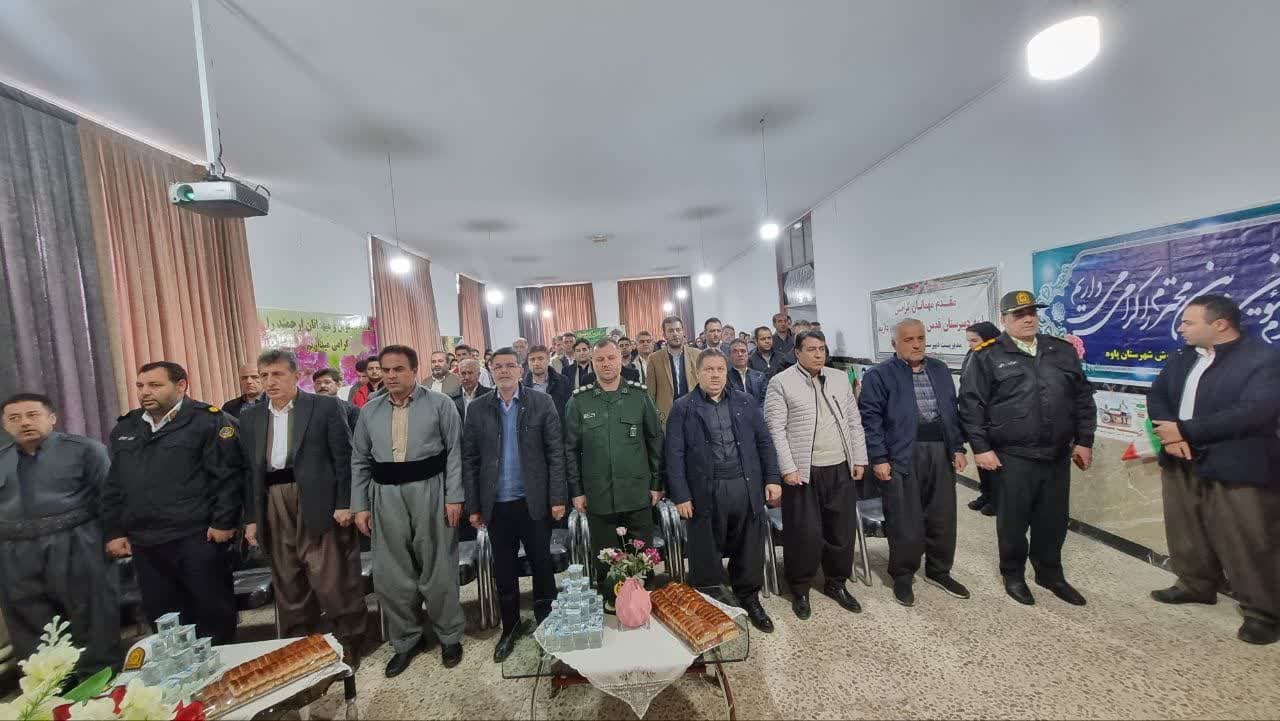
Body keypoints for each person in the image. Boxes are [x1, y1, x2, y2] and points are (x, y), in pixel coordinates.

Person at [1146, 294, 1280, 645]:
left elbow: (1255, 412)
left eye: (1188, 322)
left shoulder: (1262, 359)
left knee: (1247, 538)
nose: (1180, 328)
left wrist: (1185, 431)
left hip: (1236, 464)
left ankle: (1264, 613)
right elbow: (1157, 395)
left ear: (1219, 325)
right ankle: (1195, 585)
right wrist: (1169, 434)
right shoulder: (1184, 357)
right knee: (1185, 529)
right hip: (1181, 458)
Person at [958, 290, 1096, 608]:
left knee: (1053, 520)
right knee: (1013, 522)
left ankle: (1050, 574)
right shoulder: (987, 355)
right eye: (1019, 314)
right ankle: (1014, 575)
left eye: (1032, 312)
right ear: (1004, 320)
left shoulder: (1061, 351)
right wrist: (980, 448)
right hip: (1013, 455)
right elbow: (971, 406)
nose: (1028, 318)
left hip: (1057, 454)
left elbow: (1082, 398)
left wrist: (1085, 440)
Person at [239, 351, 367, 664]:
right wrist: (252, 518)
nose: (269, 382)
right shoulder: (251, 416)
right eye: (264, 375)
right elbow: (248, 471)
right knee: (288, 576)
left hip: (319, 499)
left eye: (277, 374)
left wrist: (345, 502)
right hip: (273, 499)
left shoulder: (324, 407)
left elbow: (344, 457)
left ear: (296, 376)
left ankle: (348, 639)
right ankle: (301, 643)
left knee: (331, 575)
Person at [102, 361, 243, 644]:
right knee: (163, 615)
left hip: (197, 536)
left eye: (155, 385)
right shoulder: (126, 428)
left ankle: (222, 664)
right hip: (146, 541)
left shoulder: (208, 421)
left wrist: (224, 522)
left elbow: (227, 476)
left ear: (181, 386)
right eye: (140, 386)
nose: (145, 392)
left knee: (211, 611)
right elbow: (115, 484)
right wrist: (114, 531)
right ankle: (179, 668)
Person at [352, 345, 466, 675]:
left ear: (414, 371)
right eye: (386, 370)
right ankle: (406, 640)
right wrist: (360, 505)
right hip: (385, 495)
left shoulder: (440, 404)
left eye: (398, 369)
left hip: (430, 490)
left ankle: (449, 636)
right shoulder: (369, 411)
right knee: (392, 575)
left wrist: (454, 496)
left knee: (438, 570)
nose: (391, 376)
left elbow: (455, 452)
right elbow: (359, 460)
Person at [0, 393, 119, 674]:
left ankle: (98, 681)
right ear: (5, 425)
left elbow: (111, 497)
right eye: (14, 418)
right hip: (15, 552)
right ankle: (50, 688)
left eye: (32, 415)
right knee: (29, 621)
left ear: (52, 418)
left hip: (76, 541)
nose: (24, 423)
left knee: (90, 613)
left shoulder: (85, 450)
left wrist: (116, 536)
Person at [463, 347, 566, 661]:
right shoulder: (478, 409)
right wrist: (474, 506)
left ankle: (547, 625)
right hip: (497, 506)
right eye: (498, 366)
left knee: (542, 567)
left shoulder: (541, 403)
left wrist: (557, 498)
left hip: (533, 503)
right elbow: (470, 460)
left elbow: (555, 453)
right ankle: (510, 628)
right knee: (504, 571)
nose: (505, 371)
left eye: (510, 365)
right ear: (490, 371)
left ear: (521, 370)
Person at [859, 319, 971, 607]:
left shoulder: (940, 369)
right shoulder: (879, 375)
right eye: (909, 339)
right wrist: (879, 458)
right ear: (894, 344)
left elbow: (951, 411)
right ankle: (903, 575)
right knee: (904, 518)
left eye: (921, 338)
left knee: (942, 515)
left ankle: (939, 571)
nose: (917, 344)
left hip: (939, 452)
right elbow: (870, 420)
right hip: (901, 455)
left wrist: (957, 447)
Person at [665, 350, 779, 633]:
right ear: (698, 373)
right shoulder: (682, 407)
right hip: (704, 491)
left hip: (744, 486)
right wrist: (681, 495)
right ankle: (709, 604)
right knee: (705, 551)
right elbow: (674, 455)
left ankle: (749, 598)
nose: (715, 375)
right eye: (709, 369)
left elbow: (764, 442)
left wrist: (772, 478)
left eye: (720, 369)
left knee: (749, 547)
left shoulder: (745, 402)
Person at [764, 330, 868, 619]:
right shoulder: (780, 382)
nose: (818, 354)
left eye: (822, 349)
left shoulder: (838, 378)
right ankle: (800, 588)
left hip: (839, 466)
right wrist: (788, 468)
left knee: (841, 531)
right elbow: (775, 430)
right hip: (803, 472)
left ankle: (836, 583)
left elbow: (854, 421)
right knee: (804, 534)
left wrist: (859, 458)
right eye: (811, 349)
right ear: (797, 352)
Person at [564, 339, 663, 604]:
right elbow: (570, 450)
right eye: (600, 359)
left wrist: (656, 483)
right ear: (592, 363)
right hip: (599, 495)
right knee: (607, 560)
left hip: (636, 493)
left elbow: (655, 441)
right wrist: (576, 491)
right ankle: (612, 604)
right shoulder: (579, 401)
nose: (606, 364)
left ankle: (643, 604)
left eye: (611, 358)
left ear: (621, 360)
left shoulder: (639, 397)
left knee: (643, 558)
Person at [961, 321, 1001, 515]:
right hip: (976, 419)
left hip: (993, 420)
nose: (970, 344)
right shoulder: (973, 354)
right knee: (982, 463)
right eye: (968, 341)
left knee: (994, 464)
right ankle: (986, 494)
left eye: (974, 340)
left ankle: (997, 500)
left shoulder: (996, 357)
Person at [646, 315, 698, 428]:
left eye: (678, 330)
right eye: (670, 331)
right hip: (667, 417)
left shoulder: (697, 355)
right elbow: (650, 393)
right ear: (664, 335)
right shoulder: (654, 359)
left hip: (694, 414)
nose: (675, 334)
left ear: (683, 332)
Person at [524, 344, 571, 420]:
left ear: (548, 360)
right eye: (532, 360)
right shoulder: (522, 386)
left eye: (540, 359)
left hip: (557, 425)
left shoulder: (562, 381)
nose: (536, 363)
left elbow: (569, 410)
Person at [728, 339, 768, 406]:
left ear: (748, 354)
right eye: (735, 351)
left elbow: (765, 400)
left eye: (743, 351)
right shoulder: (725, 378)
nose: (740, 354)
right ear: (729, 356)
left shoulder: (760, 377)